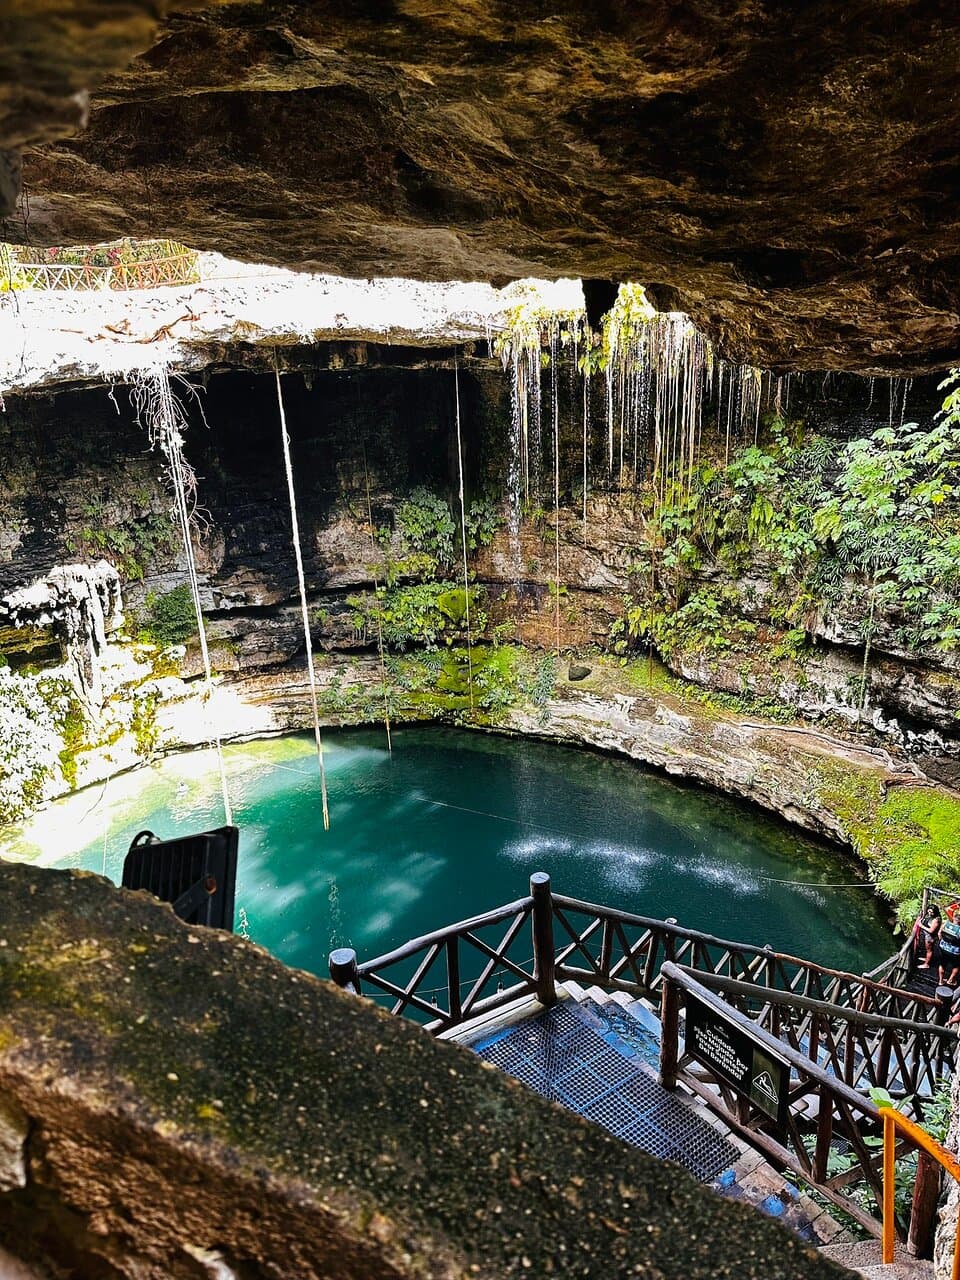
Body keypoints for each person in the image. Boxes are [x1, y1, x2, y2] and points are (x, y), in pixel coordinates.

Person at [914, 904, 942, 969]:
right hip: (928, 936)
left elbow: (931, 930)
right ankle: (927, 958)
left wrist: (921, 926)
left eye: (932, 912)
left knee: (929, 950)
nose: (930, 913)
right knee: (928, 950)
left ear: (935, 912)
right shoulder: (931, 916)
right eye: (929, 911)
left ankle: (926, 964)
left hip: (930, 937)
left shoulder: (936, 920)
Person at [939, 915, 960, 987]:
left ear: (954, 918)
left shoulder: (946, 924)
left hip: (943, 947)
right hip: (955, 951)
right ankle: (950, 980)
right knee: (956, 966)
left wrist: (942, 941)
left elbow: (939, 933)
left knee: (942, 964)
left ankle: (941, 981)